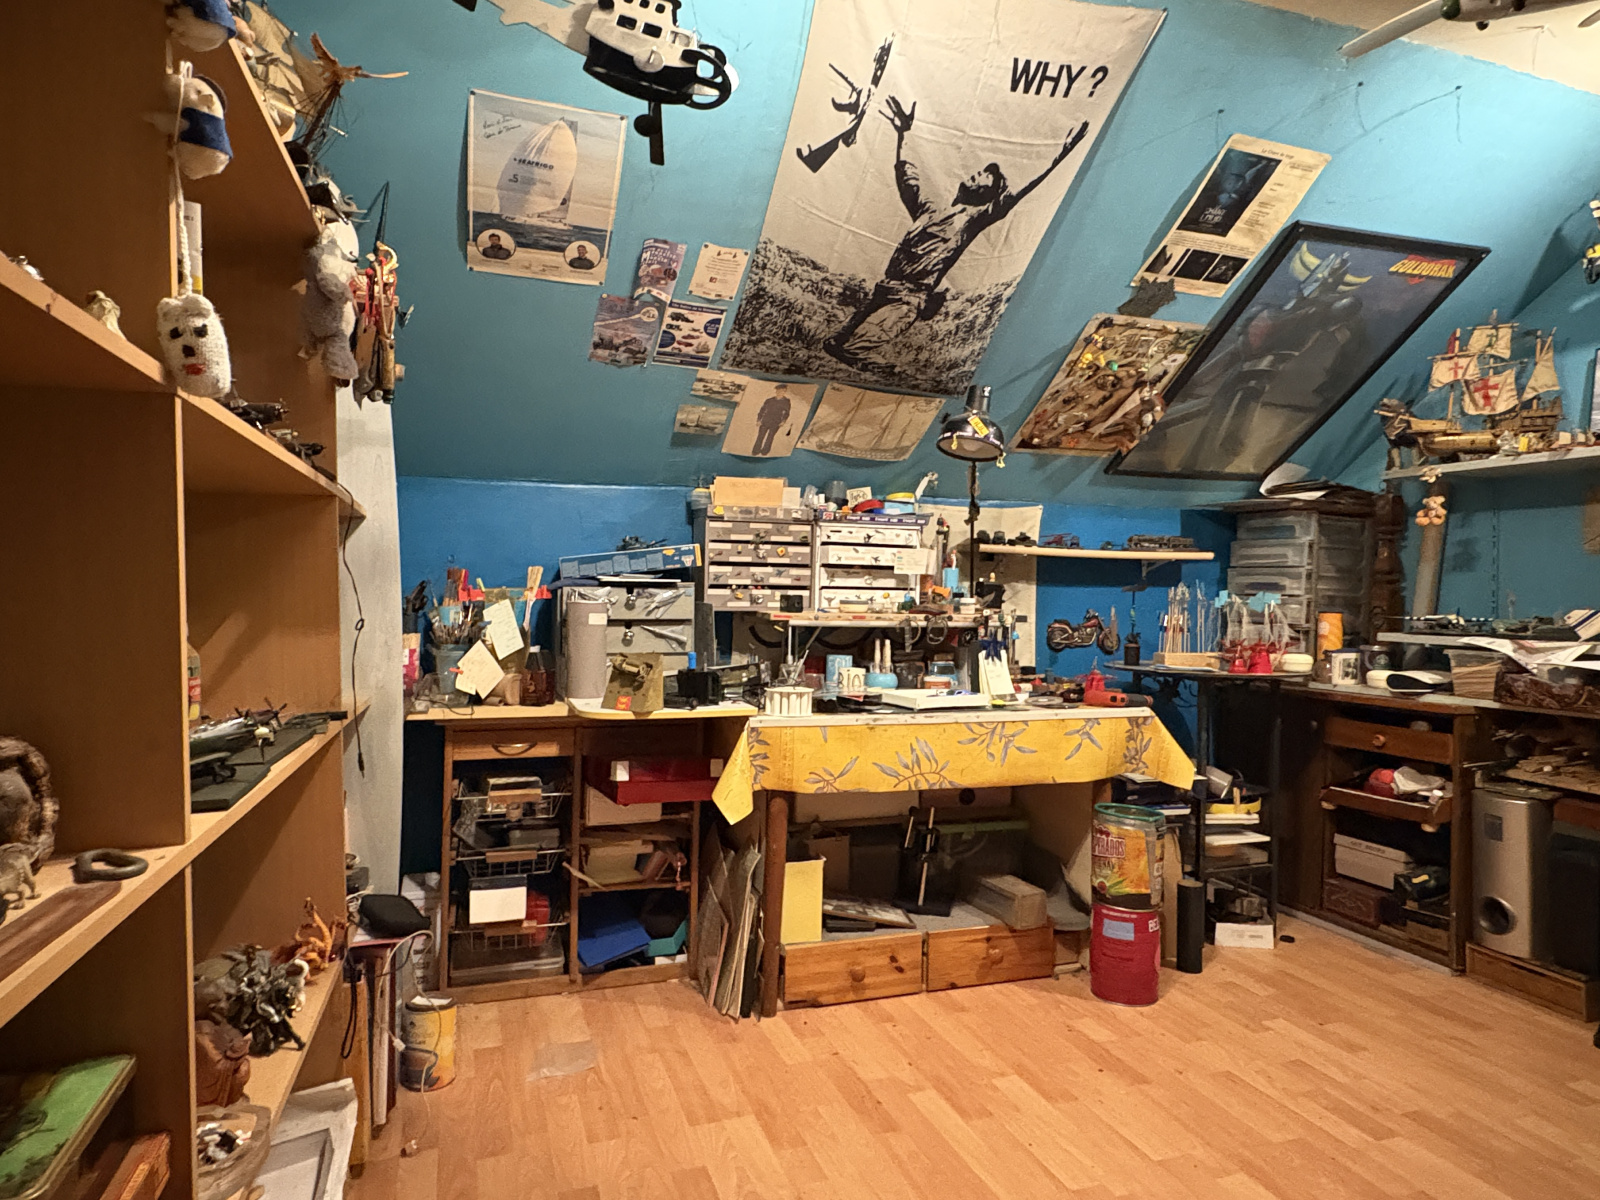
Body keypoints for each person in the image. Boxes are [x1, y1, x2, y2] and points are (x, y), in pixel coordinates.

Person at [823, 97, 1089, 371]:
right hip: (887, 286)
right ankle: (849, 348)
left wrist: (1060, 156)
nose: (978, 174)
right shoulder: (930, 210)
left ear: (987, 194)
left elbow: (1019, 193)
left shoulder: (973, 221)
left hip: (910, 297)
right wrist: (903, 133)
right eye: (981, 171)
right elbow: (907, 177)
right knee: (834, 343)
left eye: (985, 177)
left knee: (858, 350)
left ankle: (872, 363)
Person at [752, 384, 792, 456]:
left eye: (783, 391)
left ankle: (765, 451)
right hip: (765, 420)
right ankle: (756, 451)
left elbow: (787, 413)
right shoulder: (769, 400)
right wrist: (759, 420)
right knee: (760, 436)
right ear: (776, 391)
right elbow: (762, 410)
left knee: (770, 437)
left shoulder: (786, 402)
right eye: (779, 391)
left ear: (785, 392)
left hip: (776, 422)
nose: (780, 393)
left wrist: (783, 421)